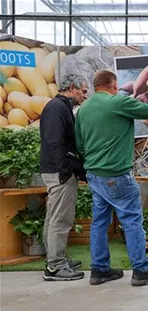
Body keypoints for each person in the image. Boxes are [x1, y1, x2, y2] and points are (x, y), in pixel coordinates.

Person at [75, 69, 148, 287]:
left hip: (94, 175)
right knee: (132, 221)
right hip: (117, 175)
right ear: (114, 85)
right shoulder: (117, 102)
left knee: (99, 222)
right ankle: (142, 270)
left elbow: (79, 144)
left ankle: (99, 270)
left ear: (95, 85)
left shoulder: (83, 109)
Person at [40, 74, 89, 281]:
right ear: (72, 88)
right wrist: (65, 169)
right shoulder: (56, 108)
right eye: (83, 91)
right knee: (60, 220)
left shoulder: (61, 107)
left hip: (56, 170)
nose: (85, 95)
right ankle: (55, 266)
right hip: (58, 172)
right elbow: (53, 142)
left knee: (53, 218)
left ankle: (54, 259)